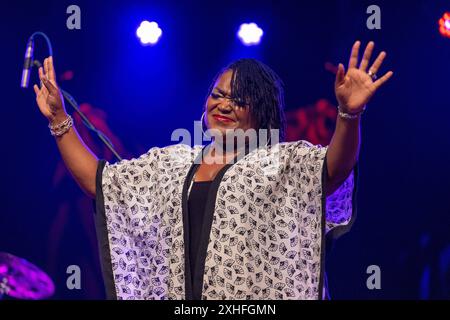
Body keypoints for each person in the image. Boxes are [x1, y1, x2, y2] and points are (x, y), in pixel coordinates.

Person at [34, 41, 393, 300]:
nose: (223, 104)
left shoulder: (280, 163)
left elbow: (334, 168)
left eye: (239, 100)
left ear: (261, 112)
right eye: (218, 94)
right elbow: (101, 182)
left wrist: (349, 115)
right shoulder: (172, 163)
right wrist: (59, 119)